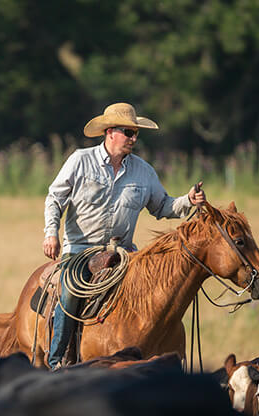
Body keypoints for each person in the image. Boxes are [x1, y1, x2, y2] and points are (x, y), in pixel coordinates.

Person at [42, 102, 206, 369]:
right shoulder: (79, 161)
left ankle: (152, 352)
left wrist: (187, 199)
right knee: (70, 293)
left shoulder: (143, 171)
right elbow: (55, 198)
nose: (133, 138)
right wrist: (51, 233)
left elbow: (162, 206)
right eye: (127, 132)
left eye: (135, 133)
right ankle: (57, 359)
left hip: (124, 252)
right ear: (109, 132)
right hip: (81, 249)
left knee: (156, 293)